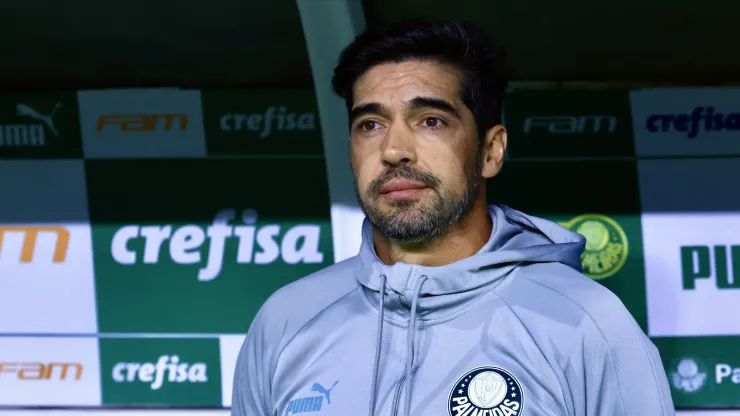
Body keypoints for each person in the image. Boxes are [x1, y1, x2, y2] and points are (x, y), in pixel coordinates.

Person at [231, 19, 675, 416]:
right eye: (370, 124)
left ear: (490, 151)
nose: (393, 150)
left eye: (431, 121)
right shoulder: (286, 320)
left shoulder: (587, 323)